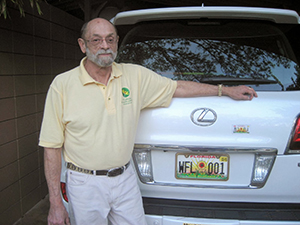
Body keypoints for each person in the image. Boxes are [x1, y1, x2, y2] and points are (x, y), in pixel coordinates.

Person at [39, 18, 257, 225]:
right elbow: (51, 147)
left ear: (116, 43)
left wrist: (224, 90)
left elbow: (177, 87)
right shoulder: (63, 85)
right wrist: (55, 202)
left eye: (110, 39)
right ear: (83, 45)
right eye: (96, 40)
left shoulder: (134, 76)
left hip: (125, 179)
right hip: (85, 183)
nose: (105, 45)